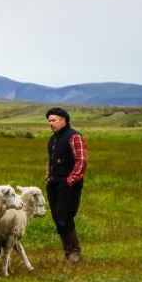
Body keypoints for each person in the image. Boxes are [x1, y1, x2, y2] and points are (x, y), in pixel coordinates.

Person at [45, 107, 87, 262]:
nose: (51, 123)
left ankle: (74, 252)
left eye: (53, 120)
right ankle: (68, 252)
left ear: (64, 120)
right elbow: (50, 160)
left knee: (65, 215)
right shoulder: (53, 139)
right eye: (49, 121)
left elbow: (81, 160)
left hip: (69, 183)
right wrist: (48, 176)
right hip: (54, 182)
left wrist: (71, 179)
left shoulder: (74, 136)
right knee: (57, 217)